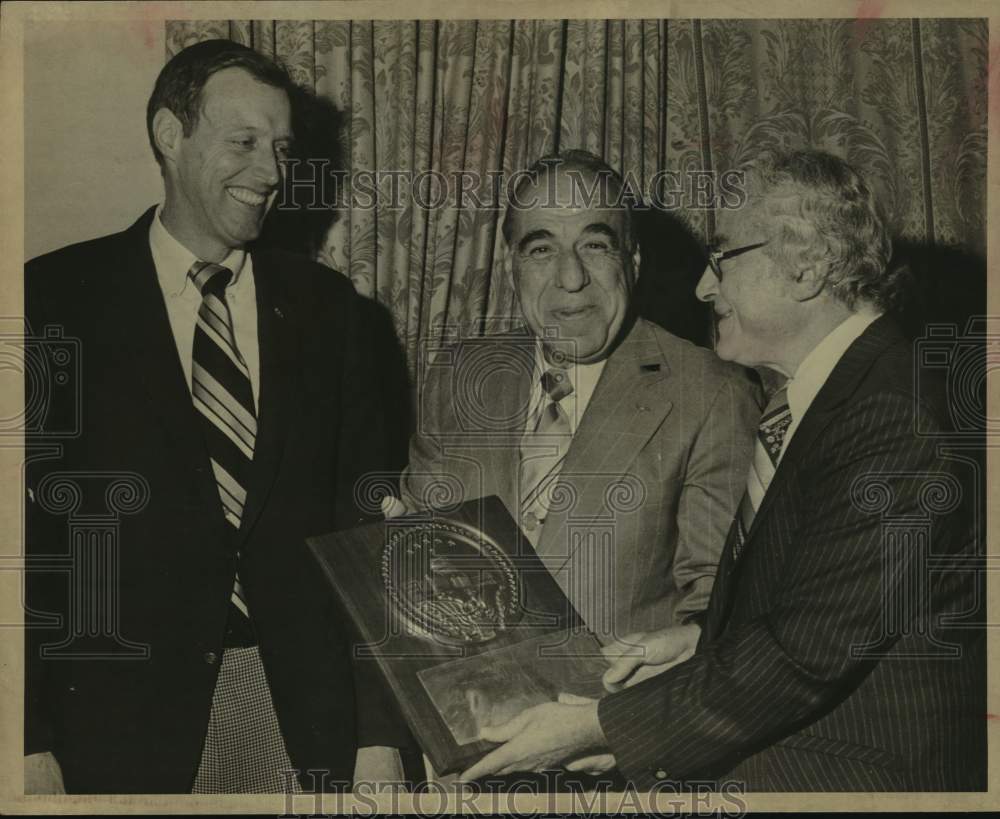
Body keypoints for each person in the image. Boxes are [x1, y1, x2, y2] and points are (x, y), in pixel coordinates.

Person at [458, 149, 986, 792]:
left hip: (851, 783)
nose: (706, 288)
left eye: (724, 259)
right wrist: (697, 641)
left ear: (807, 268)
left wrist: (603, 726)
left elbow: (806, 652)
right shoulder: (824, 398)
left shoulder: (891, 415)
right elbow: (815, 599)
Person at [24, 39, 408, 794]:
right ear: (171, 135)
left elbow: (369, 537)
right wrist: (27, 737)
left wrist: (380, 735)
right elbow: (22, 545)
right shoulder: (52, 301)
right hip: (111, 728)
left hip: (303, 720)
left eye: (283, 147)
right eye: (244, 142)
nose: (270, 172)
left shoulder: (336, 317)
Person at [384, 150, 760, 719]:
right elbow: (419, 569)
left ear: (631, 261)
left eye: (594, 244)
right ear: (513, 267)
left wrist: (613, 724)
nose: (570, 278)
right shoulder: (461, 375)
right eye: (541, 249)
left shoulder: (711, 392)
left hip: (611, 748)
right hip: (459, 737)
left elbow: (718, 609)